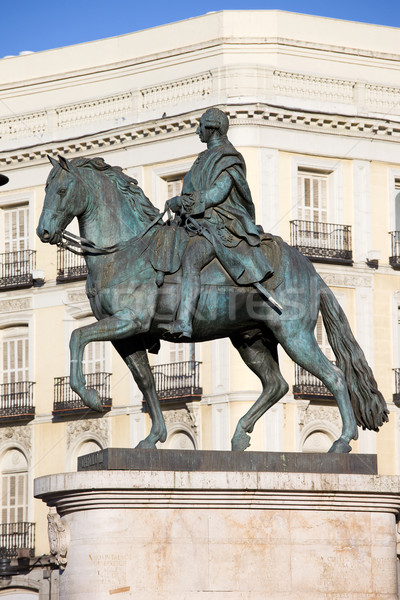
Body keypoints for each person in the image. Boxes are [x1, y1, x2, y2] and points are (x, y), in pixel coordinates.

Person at [165, 107, 274, 339]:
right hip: (192, 222)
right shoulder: (203, 158)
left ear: (212, 128)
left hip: (220, 224)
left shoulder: (228, 158)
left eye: (201, 126)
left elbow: (216, 194)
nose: (197, 131)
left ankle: (184, 320)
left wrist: (183, 202)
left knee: (191, 258)